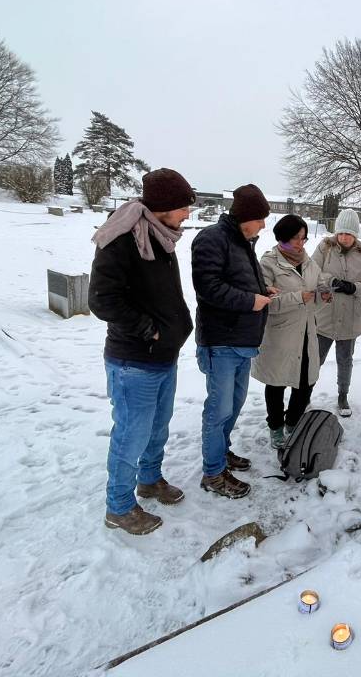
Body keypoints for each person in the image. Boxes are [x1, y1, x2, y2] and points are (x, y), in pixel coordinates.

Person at [88, 168, 196, 535]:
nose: (188, 214)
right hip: (133, 359)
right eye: (183, 207)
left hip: (163, 355)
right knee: (130, 434)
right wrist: (149, 330)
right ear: (163, 206)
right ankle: (118, 507)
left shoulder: (160, 236)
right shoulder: (122, 238)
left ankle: (149, 480)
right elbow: (102, 300)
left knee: (157, 429)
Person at [191, 184, 273, 498]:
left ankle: (221, 453)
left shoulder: (243, 242)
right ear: (246, 216)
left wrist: (263, 294)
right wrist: (249, 301)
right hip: (221, 341)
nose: (264, 225)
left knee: (234, 406)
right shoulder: (212, 239)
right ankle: (212, 473)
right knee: (219, 409)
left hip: (243, 341)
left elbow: (239, 282)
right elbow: (207, 287)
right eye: (261, 218)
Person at [251, 214, 323, 448]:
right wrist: (297, 298)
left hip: (306, 332)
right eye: (296, 239)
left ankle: (293, 422)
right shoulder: (268, 263)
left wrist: (324, 294)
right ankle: (275, 428)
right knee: (277, 383)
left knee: (306, 382)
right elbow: (266, 302)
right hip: (280, 335)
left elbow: (317, 286)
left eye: (304, 238)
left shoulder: (308, 261)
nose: (301, 243)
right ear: (282, 239)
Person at [311, 209, 361, 417]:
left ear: (355, 234)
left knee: (345, 360)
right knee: (315, 359)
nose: (344, 237)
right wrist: (330, 282)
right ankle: (305, 392)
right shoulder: (325, 247)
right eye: (340, 233)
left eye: (348, 234)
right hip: (324, 316)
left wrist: (353, 288)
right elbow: (311, 272)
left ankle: (342, 395)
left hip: (350, 319)